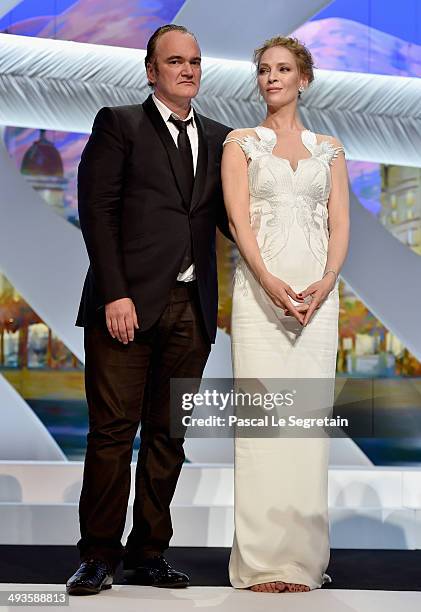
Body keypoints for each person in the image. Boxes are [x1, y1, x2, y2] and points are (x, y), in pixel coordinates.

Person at [66, 24, 231, 595]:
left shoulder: (221, 137)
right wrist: (115, 292)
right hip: (126, 306)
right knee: (112, 433)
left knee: (169, 436)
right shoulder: (119, 124)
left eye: (195, 60)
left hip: (193, 310)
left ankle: (148, 553)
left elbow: (234, 224)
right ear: (151, 70)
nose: (188, 69)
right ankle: (98, 555)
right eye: (175, 61)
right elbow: (98, 211)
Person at [221, 36, 349, 593]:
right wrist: (270, 284)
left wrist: (325, 283)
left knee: (306, 431)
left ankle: (301, 562)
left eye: (283, 69)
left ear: (304, 78)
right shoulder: (240, 144)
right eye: (264, 70)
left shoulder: (330, 150)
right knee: (262, 429)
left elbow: (341, 225)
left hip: (318, 302)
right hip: (260, 297)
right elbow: (239, 224)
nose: (271, 78)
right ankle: (259, 564)